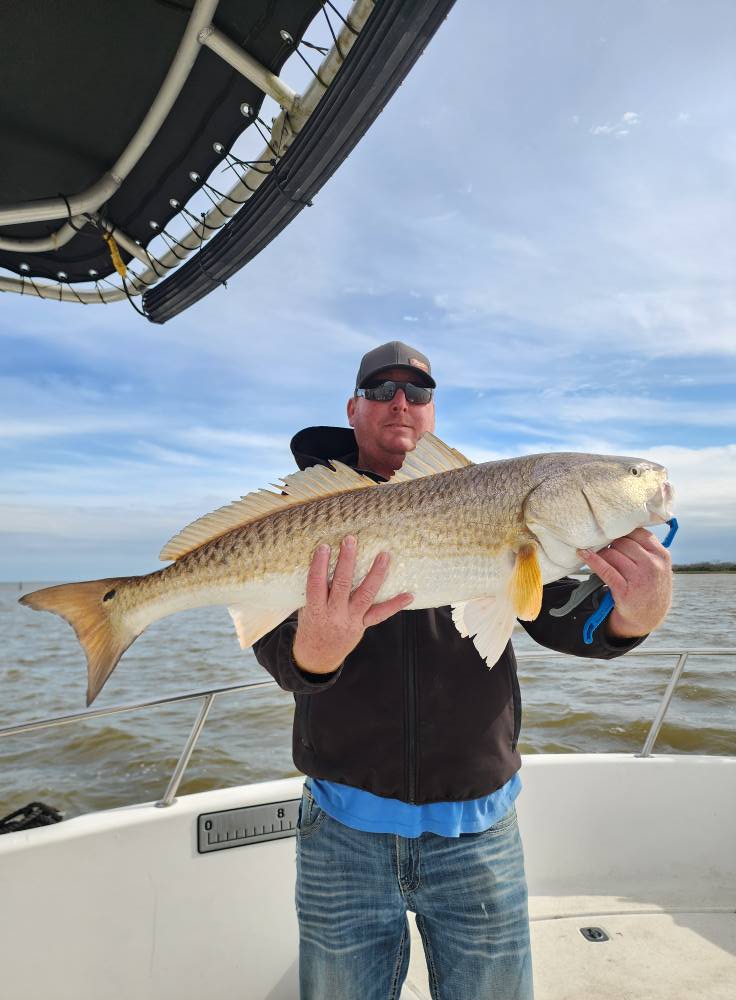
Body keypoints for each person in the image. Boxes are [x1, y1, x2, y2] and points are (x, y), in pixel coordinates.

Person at [253, 341, 672, 1000]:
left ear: (433, 411)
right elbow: (270, 638)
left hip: (478, 830)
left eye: (418, 392)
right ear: (353, 408)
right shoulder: (296, 511)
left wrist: (633, 617)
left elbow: (563, 620)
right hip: (340, 830)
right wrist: (314, 651)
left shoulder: (491, 497)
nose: (401, 402)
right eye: (381, 389)